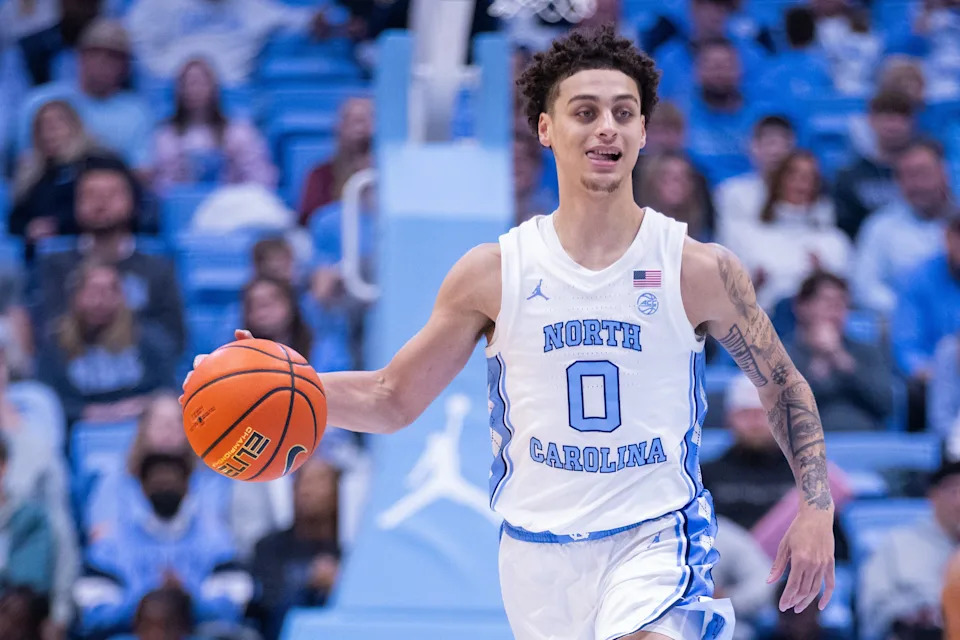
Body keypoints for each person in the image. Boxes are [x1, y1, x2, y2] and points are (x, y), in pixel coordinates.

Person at [187, 25, 836, 640]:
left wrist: (816, 506)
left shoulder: (699, 268)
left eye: (623, 111)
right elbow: (393, 397)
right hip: (537, 555)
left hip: (656, 536)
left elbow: (782, 385)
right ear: (545, 129)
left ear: (642, 131)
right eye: (586, 111)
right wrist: (282, 385)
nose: (606, 126)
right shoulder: (493, 273)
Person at [723, 151, 851, 310]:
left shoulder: (834, 242)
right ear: (778, 181)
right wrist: (755, 284)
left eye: (809, 177)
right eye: (794, 174)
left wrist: (821, 278)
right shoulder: (749, 237)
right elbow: (729, 300)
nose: (801, 183)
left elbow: (843, 303)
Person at [858, 458, 960, 640]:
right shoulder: (897, 543)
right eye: (954, 491)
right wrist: (910, 615)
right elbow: (873, 606)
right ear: (933, 496)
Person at [152, 58, 276, 192]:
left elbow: (262, 178)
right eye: (188, 84)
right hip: (182, 204)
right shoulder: (165, 135)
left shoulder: (239, 132)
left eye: (200, 83)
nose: (194, 90)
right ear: (178, 90)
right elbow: (160, 187)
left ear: (214, 87)